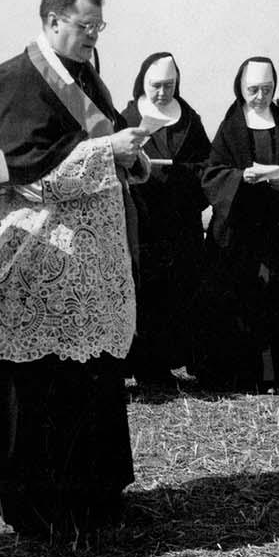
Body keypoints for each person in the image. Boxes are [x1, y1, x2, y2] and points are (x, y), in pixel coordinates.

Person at [0, 0, 144, 538]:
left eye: (99, 28)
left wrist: (127, 154)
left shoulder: (85, 76)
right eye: (86, 27)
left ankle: (91, 492)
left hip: (89, 269)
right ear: (54, 21)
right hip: (36, 263)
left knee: (90, 380)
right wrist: (108, 152)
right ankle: (35, 500)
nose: (93, 37)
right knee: (39, 386)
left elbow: (85, 148)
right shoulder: (12, 82)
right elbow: (11, 171)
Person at [197, 56, 279, 391]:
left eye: (266, 89)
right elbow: (212, 174)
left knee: (274, 300)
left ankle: (273, 376)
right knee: (234, 298)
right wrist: (240, 178)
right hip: (236, 231)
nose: (260, 96)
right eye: (253, 90)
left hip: (275, 229)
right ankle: (234, 375)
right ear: (241, 88)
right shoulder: (231, 125)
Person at [119, 52, 211, 384]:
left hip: (180, 219)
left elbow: (207, 167)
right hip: (143, 219)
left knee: (179, 291)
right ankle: (145, 365)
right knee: (146, 292)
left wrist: (180, 174)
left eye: (169, 86)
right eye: (156, 86)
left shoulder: (189, 119)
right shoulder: (127, 116)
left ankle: (175, 361)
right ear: (144, 82)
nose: (162, 93)